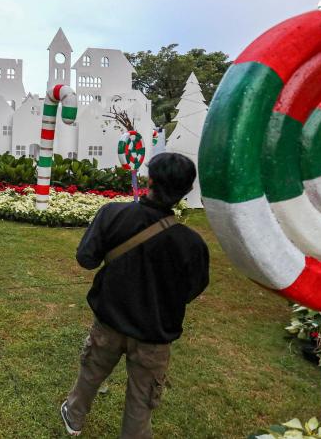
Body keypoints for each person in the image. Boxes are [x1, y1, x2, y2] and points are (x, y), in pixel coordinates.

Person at [60, 152, 209, 438]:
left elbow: (86, 259)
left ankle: (74, 417)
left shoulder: (113, 214)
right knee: (142, 400)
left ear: (149, 180)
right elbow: (193, 288)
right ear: (187, 190)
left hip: (109, 321)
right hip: (154, 335)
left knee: (91, 372)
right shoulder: (192, 243)